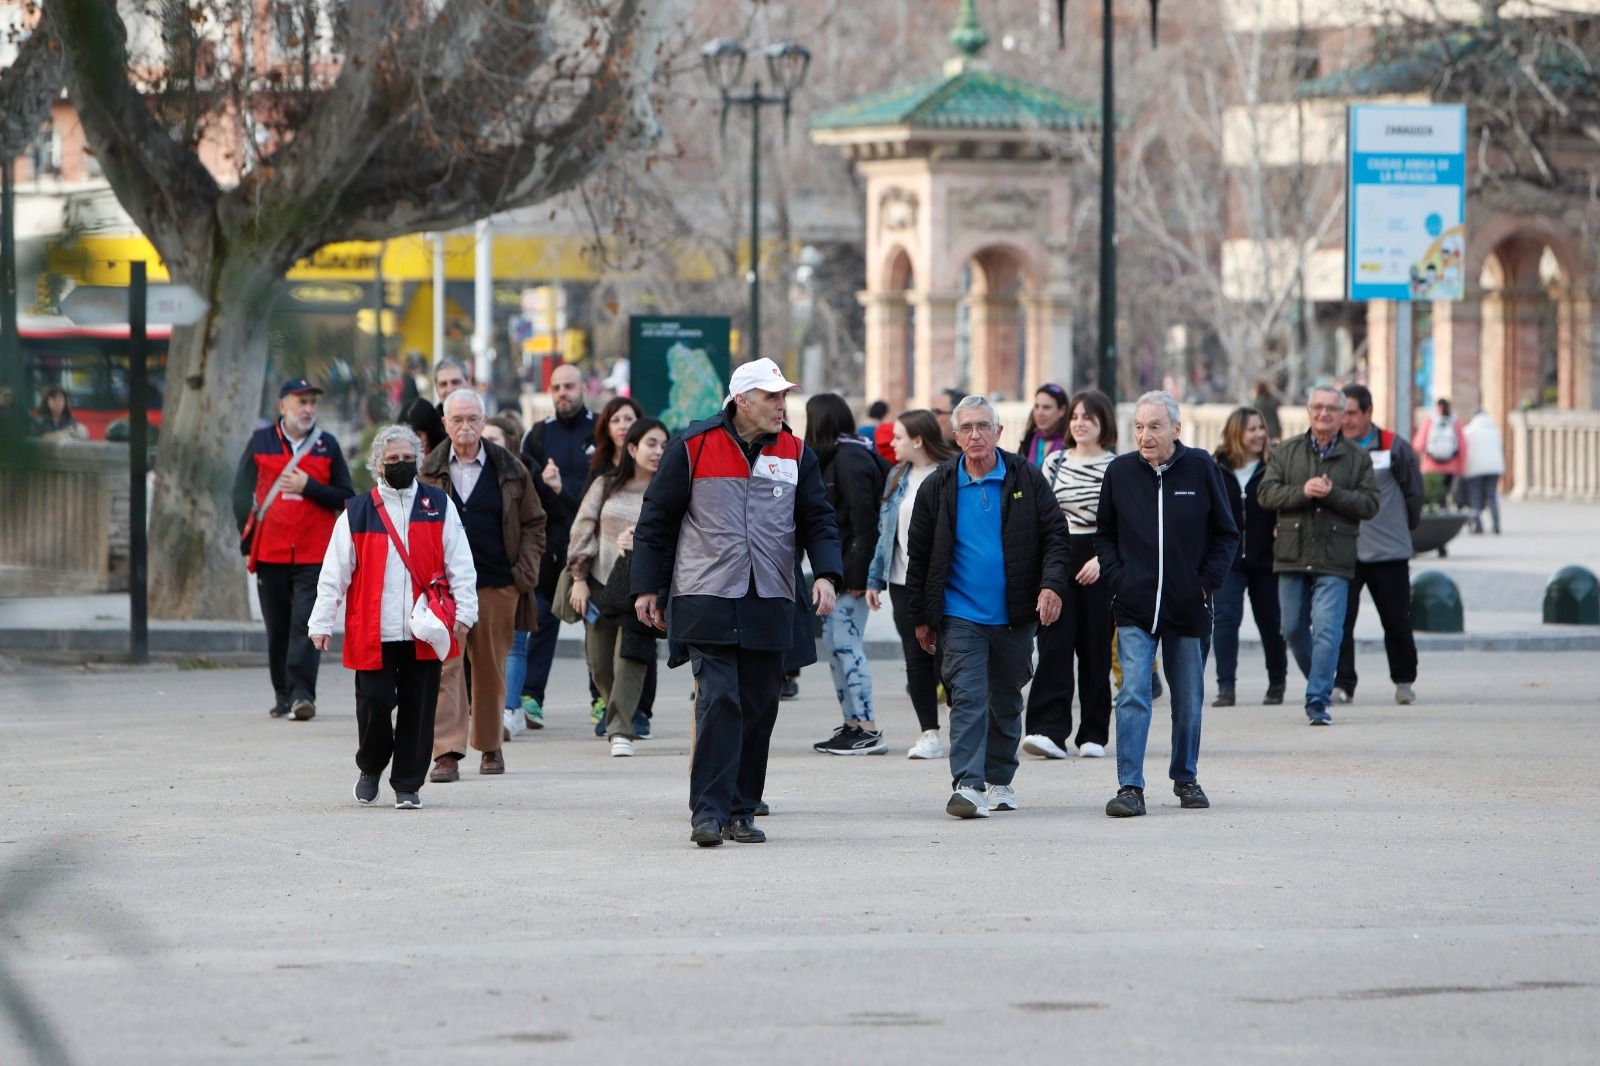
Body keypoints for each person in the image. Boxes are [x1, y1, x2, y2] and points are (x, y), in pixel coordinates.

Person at [631, 357, 843, 847]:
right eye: (772, 397)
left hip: (771, 597)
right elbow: (656, 522)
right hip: (707, 595)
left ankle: (742, 810)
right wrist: (647, 587)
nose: (781, 405)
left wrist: (827, 574)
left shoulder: (796, 452)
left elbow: (818, 519)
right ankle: (707, 811)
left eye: (784, 396)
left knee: (759, 705)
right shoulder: (693, 446)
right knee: (719, 699)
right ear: (741, 400)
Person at [905, 395, 1070, 819]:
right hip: (960, 615)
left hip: (1014, 615)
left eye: (984, 426)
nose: (976, 435)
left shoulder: (1026, 478)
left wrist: (1051, 586)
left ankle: (999, 779)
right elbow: (919, 557)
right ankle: (968, 784)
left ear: (999, 432)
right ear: (955, 436)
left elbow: (1055, 536)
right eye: (967, 428)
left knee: (1007, 699)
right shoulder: (938, 486)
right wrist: (921, 619)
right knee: (968, 696)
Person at [308, 425, 478, 809]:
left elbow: (460, 564)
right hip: (373, 630)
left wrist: (465, 613)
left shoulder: (438, 505)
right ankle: (370, 766)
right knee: (375, 703)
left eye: (407, 459)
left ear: (417, 461)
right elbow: (334, 573)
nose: (401, 465)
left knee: (419, 711)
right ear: (377, 466)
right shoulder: (357, 511)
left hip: (425, 629)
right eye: (392, 460)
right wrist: (321, 622)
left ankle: (407, 785)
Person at [1094, 391, 1238, 818]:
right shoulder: (1120, 472)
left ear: (1177, 429)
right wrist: (1120, 578)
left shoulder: (1201, 468)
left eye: (1154, 426)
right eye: (1139, 427)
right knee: (1134, 692)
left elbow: (1226, 534)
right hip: (1134, 606)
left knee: (1189, 698)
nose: (1145, 435)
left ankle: (1185, 777)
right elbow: (1104, 535)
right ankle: (1130, 787)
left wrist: (1205, 584)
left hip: (1187, 608)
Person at [420, 390, 546, 782]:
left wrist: (521, 574)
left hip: (496, 583)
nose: (466, 427)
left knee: (490, 667)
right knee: (447, 666)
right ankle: (447, 753)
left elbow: (534, 523)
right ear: (444, 423)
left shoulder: (509, 467)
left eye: (473, 418)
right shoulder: (428, 469)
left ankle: (490, 746)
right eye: (457, 419)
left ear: (484, 419)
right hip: (444, 589)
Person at [232, 378, 354, 721]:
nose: (308, 409)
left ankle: (303, 695)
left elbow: (346, 497)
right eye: (301, 402)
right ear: (282, 405)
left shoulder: (326, 446)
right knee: (278, 627)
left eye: (312, 402)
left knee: (304, 623)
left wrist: (309, 486)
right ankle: (282, 695)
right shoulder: (261, 441)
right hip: (270, 551)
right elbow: (240, 493)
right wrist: (247, 539)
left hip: (314, 553)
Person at [1258, 385, 1380, 726]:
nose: (1324, 414)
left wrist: (1333, 494)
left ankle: (1317, 699)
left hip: (1335, 557)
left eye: (1331, 409)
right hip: (1292, 553)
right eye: (1317, 407)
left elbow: (1370, 504)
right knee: (1292, 627)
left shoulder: (1357, 457)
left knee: (1328, 630)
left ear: (1343, 415)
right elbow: (1265, 493)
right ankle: (1320, 678)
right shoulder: (1288, 451)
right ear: (1308, 411)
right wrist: (1302, 492)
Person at [1023, 389, 1118, 760]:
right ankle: (1047, 730)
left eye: (1088, 418)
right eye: (1076, 417)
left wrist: (1102, 560)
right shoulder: (1054, 462)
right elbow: (1041, 519)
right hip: (1059, 556)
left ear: (1103, 424)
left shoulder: (1117, 466)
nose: (1079, 423)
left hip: (1099, 559)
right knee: (1053, 644)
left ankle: (1093, 733)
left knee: (1095, 648)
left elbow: (1123, 524)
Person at [568, 418, 669, 757]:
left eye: (664, 445)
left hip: (641, 589)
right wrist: (579, 579)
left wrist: (642, 543)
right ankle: (616, 710)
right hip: (599, 585)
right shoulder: (605, 485)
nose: (658, 451)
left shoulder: (667, 491)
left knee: (631, 658)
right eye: (652, 443)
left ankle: (620, 728)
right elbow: (582, 529)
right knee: (599, 663)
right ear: (632, 448)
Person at [866, 409, 958, 759]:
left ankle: (959, 723)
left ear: (918, 440)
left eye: (899, 437)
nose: (892, 443)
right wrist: (876, 577)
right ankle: (929, 732)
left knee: (950, 656)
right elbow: (884, 533)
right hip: (903, 581)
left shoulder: (951, 473)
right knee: (916, 657)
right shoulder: (897, 475)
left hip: (946, 580)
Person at [805, 393, 890, 755]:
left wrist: (858, 578)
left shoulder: (850, 458)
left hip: (850, 575)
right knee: (836, 647)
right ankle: (854, 724)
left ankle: (867, 728)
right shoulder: (844, 454)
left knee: (847, 646)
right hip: (841, 572)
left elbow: (864, 522)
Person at [1335, 384, 1425, 707]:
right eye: (1341, 413)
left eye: (1352, 413)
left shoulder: (1393, 447)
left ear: (1369, 413)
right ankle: (1342, 684)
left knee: (1396, 621)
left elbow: (1415, 495)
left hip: (1389, 553)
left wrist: (1401, 528)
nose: (1346, 420)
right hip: (1345, 552)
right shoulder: (1331, 448)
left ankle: (1404, 681)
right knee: (1340, 622)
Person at [518, 363, 597, 728]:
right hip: (551, 545)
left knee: (597, 622)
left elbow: (598, 496)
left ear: (582, 388)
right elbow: (528, 495)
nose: (562, 393)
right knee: (543, 617)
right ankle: (531, 697)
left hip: (594, 541)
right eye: (556, 387)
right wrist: (548, 488)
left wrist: (560, 490)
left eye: (569, 386)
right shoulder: (538, 435)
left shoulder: (600, 430)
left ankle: (602, 698)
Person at [1209, 406, 1288, 707]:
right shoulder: (1216, 467)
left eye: (1261, 428)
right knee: (1226, 620)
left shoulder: (1274, 466)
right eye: (1251, 429)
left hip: (1267, 558)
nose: (1259, 434)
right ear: (1235, 434)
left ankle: (1277, 682)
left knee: (1270, 621)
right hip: (1228, 560)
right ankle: (1225, 687)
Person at [402, 358, 471, 456]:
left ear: (468, 382)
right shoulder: (426, 425)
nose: (450, 389)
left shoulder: (486, 425)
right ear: (437, 388)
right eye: (443, 384)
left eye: (455, 382)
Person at [1414, 397, 1467, 503]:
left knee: (1434, 495)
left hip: (1431, 466)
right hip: (1451, 466)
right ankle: (1445, 511)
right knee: (1446, 494)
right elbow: (1462, 446)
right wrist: (1461, 468)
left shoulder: (1430, 420)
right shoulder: (1456, 421)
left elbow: (1418, 444)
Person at [1461, 409, 1505, 534]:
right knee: (1492, 496)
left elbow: (1463, 449)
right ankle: (1496, 524)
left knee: (1475, 496)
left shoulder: (1468, 430)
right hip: (1494, 467)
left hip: (1474, 468)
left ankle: (1477, 525)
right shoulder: (1494, 430)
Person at [1017, 383, 1070, 468]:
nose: (1039, 413)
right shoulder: (1028, 441)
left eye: (1046, 407)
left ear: (1062, 411)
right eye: (1037, 406)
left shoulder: (1070, 446)